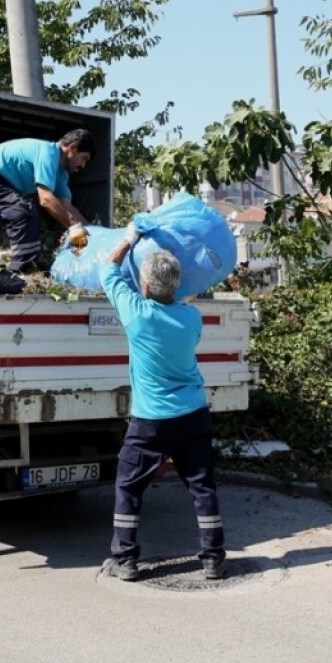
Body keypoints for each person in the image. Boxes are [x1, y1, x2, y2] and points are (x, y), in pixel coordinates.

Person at [100, 224, 226, 582]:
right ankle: (213, 558)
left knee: (129, 485)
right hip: (193, 414)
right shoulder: (191, 318)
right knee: (202, 486)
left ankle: (124, 559)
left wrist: (127, 238)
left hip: (151, 420)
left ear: (144, 286)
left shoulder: (137, 314)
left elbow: (107, 271)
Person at [0, 130, 95, 274]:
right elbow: (46, 199)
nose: (83, 166)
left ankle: (28, 265)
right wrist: (74, 226)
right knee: (24, 211)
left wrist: (93, 233)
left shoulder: (61, 173)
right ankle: (21, 271)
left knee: (27, 211)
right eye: (84, 158)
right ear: (73, 148)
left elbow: (67, 207)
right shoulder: (48, 154)